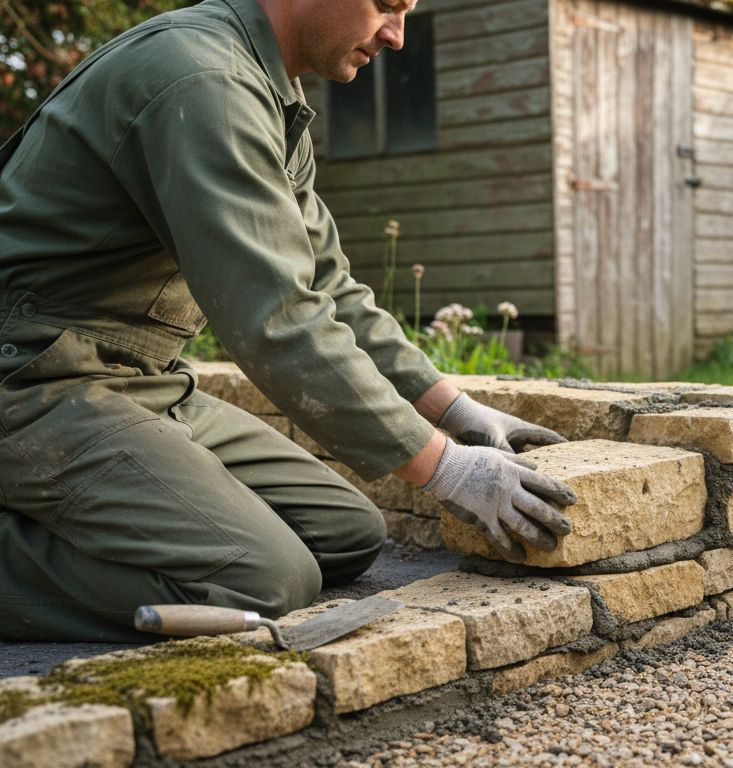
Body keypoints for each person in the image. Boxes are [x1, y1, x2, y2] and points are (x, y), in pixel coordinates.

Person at [0, 0, 575, 642]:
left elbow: (326, 285)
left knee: (344, 533)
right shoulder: (203, 81)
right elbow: (276, 319)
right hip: (32, 377)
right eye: (386, 5)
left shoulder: (266, 92)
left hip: (132, 378)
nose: (397, 35)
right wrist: (448, 470)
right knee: (259, 578)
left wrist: (455, 410)